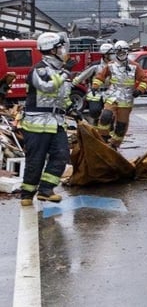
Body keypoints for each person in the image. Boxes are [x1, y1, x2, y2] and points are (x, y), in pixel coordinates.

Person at [19, 32, 74, 206]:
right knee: (36, 159)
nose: (63, 50)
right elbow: (48, 86)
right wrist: (65, 73)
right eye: (60, 47)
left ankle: (46, 189)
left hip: (56, 121)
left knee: (62, 155)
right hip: (37, 122)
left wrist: (71, 107)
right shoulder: (39, 69)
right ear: (51, 50)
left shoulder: (59, 70)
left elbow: (62, 95)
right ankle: (27, 195)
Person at [92, 40, 147, 149]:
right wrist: (95, 86)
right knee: (105, 116)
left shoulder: (135, 66)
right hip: (113, 96)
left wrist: (139, 90)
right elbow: (101, 76)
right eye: (119, 52)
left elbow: (145, 80)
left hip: (126, 99)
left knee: (121, 126)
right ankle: (103, 137)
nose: (121, 54)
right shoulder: (111, 65)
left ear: (127, 52)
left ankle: (114, 145)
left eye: (123, 51)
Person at [72, 42, 114, 123]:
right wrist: (71, 85)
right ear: (105, 55)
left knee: (109, 114)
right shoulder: (95, 66)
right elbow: (82, 76)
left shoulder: (115, 65)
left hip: (110, 93)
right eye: (111, 54)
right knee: (95, 111)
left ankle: (108, 131)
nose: (113, 56)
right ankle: (95, 124)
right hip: (96, 93)